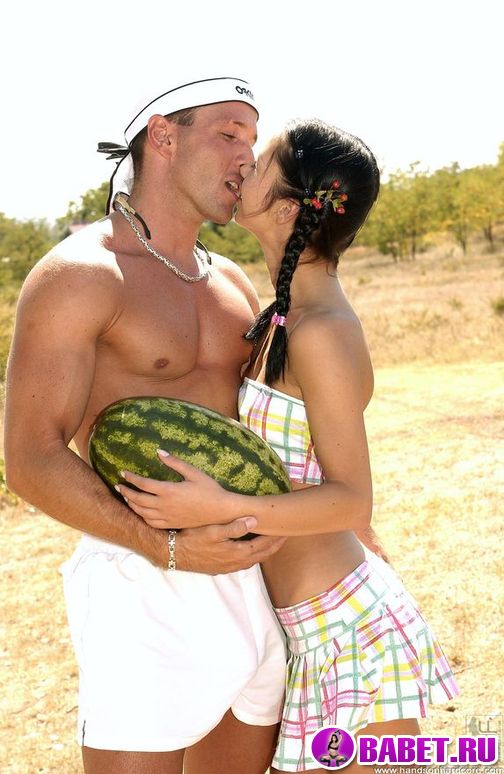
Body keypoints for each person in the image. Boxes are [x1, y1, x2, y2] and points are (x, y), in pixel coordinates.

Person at [117, 119, 460, 773]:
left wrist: (222, 507)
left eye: (262, 161)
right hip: (305, 624)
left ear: (288, 210)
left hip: (344, 628)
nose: (244, 164)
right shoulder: (281, 316)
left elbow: (352, 497)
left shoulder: (321, 332)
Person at [4, 76, 293, 774]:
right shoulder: (81, 275)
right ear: (164, 136)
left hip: (253, 578)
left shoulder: (233, 281)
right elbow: (30, 456)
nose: (248, 158)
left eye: (253, 140)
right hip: (143, 580)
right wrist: (163, 546)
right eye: (228, 134)